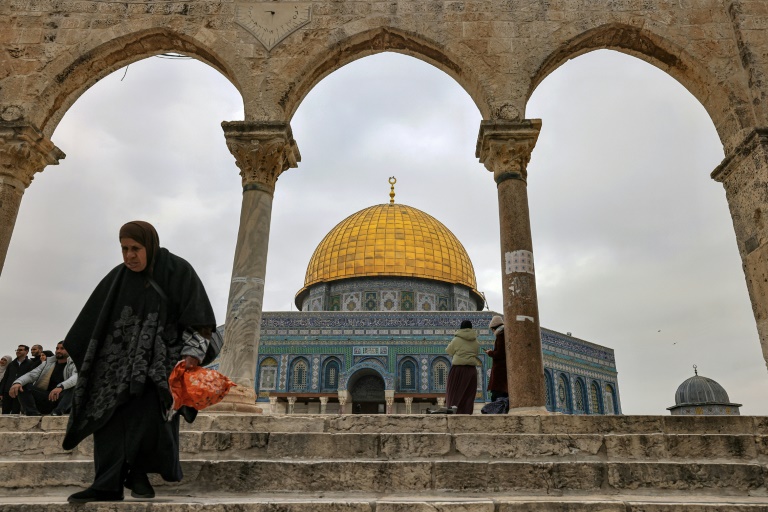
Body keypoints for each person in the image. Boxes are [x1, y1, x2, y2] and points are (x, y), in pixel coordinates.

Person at [63, 221, 216, 504]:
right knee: (109, 421)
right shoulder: (118, 278)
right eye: (124, 249)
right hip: (116, 368)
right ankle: (108, 484)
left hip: (159, 367)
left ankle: (137, 474)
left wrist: (191, 355)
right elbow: (93, 323)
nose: (129, 256)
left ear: (150, 245)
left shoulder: (177, 271)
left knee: (148, 421)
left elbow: (200, 318)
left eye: (136, 248)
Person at [9, 341, 77, 416]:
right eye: (57, 348)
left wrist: (61, 386)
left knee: (75, 387)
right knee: (23, 386)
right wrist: (17, 382)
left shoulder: (75, 364)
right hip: (48, 397)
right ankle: (32, 412)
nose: (58, 351)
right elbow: (31, 375)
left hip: (64, 399)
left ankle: (58, 411)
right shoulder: (48, 363)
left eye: (62, 348)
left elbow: (76, 377)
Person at [444, 320, 481, 414]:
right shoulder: (476, 341)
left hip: (458, 370)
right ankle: (466, 415)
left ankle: (454, 414)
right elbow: (476, 353)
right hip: (471, 370)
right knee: (468, 394)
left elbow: (449, 351)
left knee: (454, 393)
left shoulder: (456, 340)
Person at [0, 345, 33, 414]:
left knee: (15, 412)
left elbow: (31, 377)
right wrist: (1, 392)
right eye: (17, 350)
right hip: (8, 391)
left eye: (20, 350)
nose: (18, 351)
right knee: (5, 412)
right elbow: (5, 378)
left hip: (20, 392)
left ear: (26, 351)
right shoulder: (11, 364)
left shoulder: (30, 363)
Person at [484, 315, 508, 402]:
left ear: (494, 328)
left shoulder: (501, 335)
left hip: (500, 371)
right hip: (503, 371)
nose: (492, 332)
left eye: (492, 330)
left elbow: (500, 353)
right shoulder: (505, 334)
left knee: (497, 395)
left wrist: (490, 353)